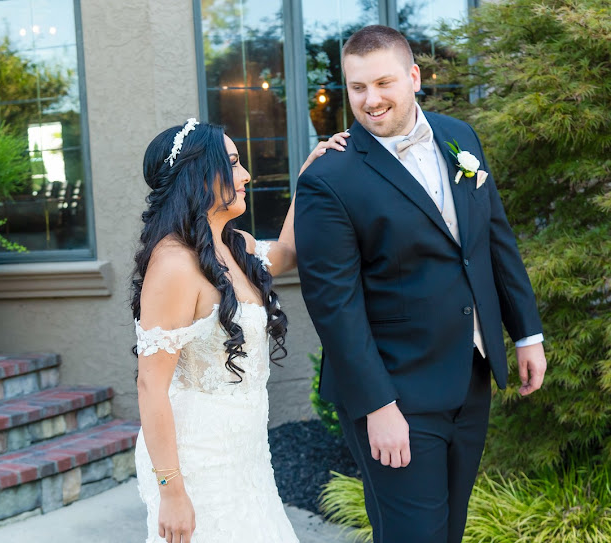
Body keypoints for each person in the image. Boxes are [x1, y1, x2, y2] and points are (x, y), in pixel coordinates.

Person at [294, 25, 547, 543]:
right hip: (395, 392)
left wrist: (527, 333)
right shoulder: (329, 178)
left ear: (413, 77)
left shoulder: (460, 138)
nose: (371, 100)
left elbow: (493, 238)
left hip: (469, 376)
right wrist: (378, 407)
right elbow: (334, 306)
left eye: (383, 83)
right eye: (357, 88)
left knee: (449, 532)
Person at [131, 118, 337, 543]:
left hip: (246, 453)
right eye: (234, 163)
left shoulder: (233, 244)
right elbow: (150, 386)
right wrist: (172, 492)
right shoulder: (173, 264)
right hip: (197, 459)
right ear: (198, 173)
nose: (246, 175)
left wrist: (306, 181)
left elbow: (289, 252)